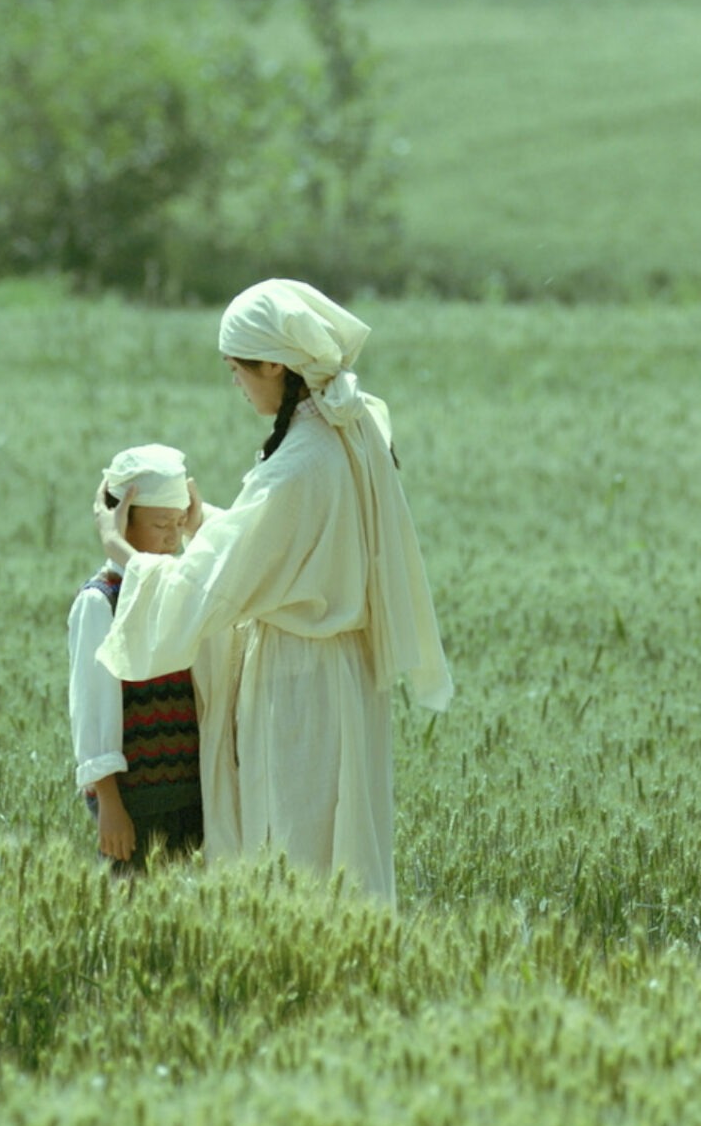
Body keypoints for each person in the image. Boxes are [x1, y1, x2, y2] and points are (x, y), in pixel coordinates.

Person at [93, 279, 450, 903]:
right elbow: (290, 547)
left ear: (277, 367)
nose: (235, 384)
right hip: (344, 676)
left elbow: (216, 584)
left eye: (238, 370)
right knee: (339, 851)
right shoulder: (344, 433)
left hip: (299, 684)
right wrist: (211, 526)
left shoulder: (299, 462)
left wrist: (123, 553)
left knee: (295, 847)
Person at [66, 444, 217, 873]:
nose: (173, 537)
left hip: (191, 792)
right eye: (160, 524)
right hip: (135, 798)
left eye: (178, 523)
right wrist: (109, 802)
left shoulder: (177, 592)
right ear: (123, 523)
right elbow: (92, 707)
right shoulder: (101, 603)